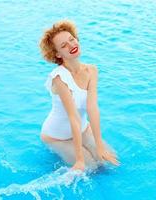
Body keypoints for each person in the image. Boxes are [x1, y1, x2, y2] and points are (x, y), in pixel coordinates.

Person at [39, 19, 120, 171]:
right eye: (64, 45)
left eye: (72, 39)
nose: (71, 45)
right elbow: (73, 117)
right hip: (57, 137)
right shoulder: (59, 78)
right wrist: (80, 159)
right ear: (57, 53)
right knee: (90, 167)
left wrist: (100, 146)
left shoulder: (92, 70)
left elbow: (92, 108)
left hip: (83, 129)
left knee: (107, 161)